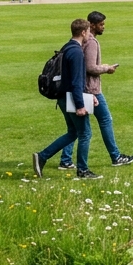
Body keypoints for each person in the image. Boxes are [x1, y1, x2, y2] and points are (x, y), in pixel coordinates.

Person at [32, 19, 102, 179]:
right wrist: (80, 105)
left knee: (73, 132)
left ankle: (42, 157)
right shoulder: (77, 52)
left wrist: (89, 97)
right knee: (85, 133)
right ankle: (83, 170)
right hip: (72, 98)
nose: (90, 34)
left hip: (63, 97)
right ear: (83, 32)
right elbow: (77, 81)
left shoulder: (66, 47)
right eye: (88, 31)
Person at [81, 11, 133, 169]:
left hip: (83, 88)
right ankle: (116, 156)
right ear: (92, 25)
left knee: (78, 128)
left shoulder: (83, 39)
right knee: (105, 120)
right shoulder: (91, 42)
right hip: (92, 89)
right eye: (101, 24)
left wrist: (102, 66)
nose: (104, 27)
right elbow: (90, 68)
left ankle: (65, 159)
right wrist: (106, 69)